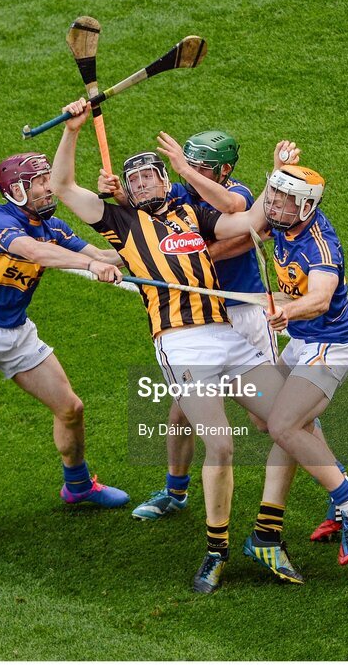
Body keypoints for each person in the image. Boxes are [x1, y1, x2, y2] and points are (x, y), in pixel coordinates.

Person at [50, 99, 290, 594]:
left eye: (149, 176)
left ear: (166, 180)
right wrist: (72, 130)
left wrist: (278, 178)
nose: (140, 183)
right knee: (221, 444)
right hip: (182, 346)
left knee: (290, 419)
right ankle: (215, 550)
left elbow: (243, 219)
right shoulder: (119, 222)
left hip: (229, 337)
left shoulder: (191, 213)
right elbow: (62, 188)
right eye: (132, 180)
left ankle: (275, 530)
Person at [154, 135, 348, 581]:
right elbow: (248, 217)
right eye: (273, 195)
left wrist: (287, 310)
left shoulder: (319, 246)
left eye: (284, 200)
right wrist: (276, 171)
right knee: (273, 422)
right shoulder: (283, 221)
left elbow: (320, 297)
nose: (274, 205)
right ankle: (301, 516)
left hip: (329, 346)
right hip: (302, 341)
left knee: (284, 425)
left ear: (307, 208)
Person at [0, 151, 130, 541]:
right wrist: (88, 266)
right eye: (41, 182)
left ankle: (78, 485)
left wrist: (149, 250)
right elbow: (33, 252)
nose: (50, 188)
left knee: (71, 409)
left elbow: (101, 255)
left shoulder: (54, 227)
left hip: (17, 334)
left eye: (48, 179)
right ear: (16, 191)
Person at [97, 131, 278, 522]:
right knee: (181, 413)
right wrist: (116, 192)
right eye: (188, 164)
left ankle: (338, 485)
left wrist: (183, 256)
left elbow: (248, 227)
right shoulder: (180, 190)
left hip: (242, 313)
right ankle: (175, 491)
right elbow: (147, 206)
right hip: (196, 320)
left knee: (271, 419)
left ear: (223, 170)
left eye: (200, 168)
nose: (190, 173)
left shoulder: (236, 192)